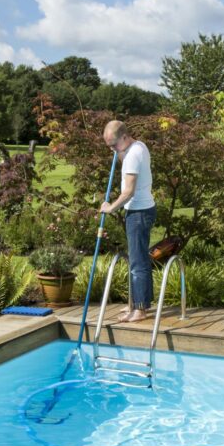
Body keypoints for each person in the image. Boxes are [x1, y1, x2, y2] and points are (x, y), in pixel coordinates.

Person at [99, 120, 156, 323]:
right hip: (143, 209)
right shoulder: (138, 146)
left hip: (138, 213)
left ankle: (139, 309)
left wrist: (110, 207)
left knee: (137, 262)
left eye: (114, 145)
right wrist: (119, 153)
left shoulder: (132, 155)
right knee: (138, 259)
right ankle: (137, 303)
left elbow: (129, 191)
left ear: (124, 137)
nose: (112, 150)